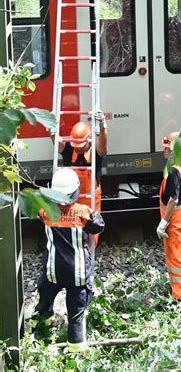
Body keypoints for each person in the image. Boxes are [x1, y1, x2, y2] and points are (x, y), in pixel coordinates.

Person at [31, 167, 105, 352]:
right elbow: (98, 226)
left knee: (44, 301)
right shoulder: (83, 212)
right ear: (76, 191)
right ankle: (76, 349)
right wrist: (95, 216)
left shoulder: (45, 212)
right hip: (77, 274)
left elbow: (37, 213)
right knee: (76, 314)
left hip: (52, 272)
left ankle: (41, 332)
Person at [156, 132, 181, 301]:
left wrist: (163, 223)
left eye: (167, 147)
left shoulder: (173, 172)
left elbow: (173, 199)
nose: (164, 150)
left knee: (175, 254)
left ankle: (179, 297)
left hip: (175, 219)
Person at [55, 110, 107, 213]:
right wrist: (51, 128)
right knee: (74, 228)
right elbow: (56, 142)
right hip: (72, 200)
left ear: (89, 139)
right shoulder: (69, 150)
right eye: (76, 145)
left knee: (93, 228)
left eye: (81, 146)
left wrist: (103, 126)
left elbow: (103, 145)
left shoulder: (95, 152)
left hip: (91, 201)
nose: (78, 149)